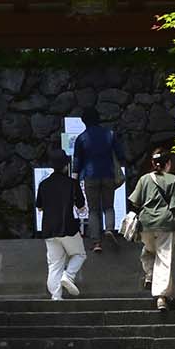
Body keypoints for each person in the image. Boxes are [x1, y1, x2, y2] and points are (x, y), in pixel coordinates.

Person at [127, 147, 175, 310]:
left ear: (152, 163)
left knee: (149, 252)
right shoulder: (174, 180)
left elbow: (135, 202)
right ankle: (161, 296)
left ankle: (150, 275)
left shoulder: (144, 179)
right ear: (168, 164)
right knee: (164, 258)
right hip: (165, 223)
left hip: (146, 225)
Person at [72, 107, 127, 252]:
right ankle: (109, 229)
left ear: (84, 121)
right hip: (108, 175)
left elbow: (77, 161)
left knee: (93, 210)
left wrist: (74, 178)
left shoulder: (82, 138)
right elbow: (120, 154)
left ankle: (96, 243)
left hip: (90, 177)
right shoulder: (110, 134)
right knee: (108, 206)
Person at [35, 149, 87, 300]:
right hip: (68, 227)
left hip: (49, 230)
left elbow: (39, 207)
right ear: (66, 165)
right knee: (79, 254)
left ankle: (56, 296)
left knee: (55, 264)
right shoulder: (72, 183)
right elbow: (81, 206)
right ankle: (68, 276)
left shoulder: (44, 184)